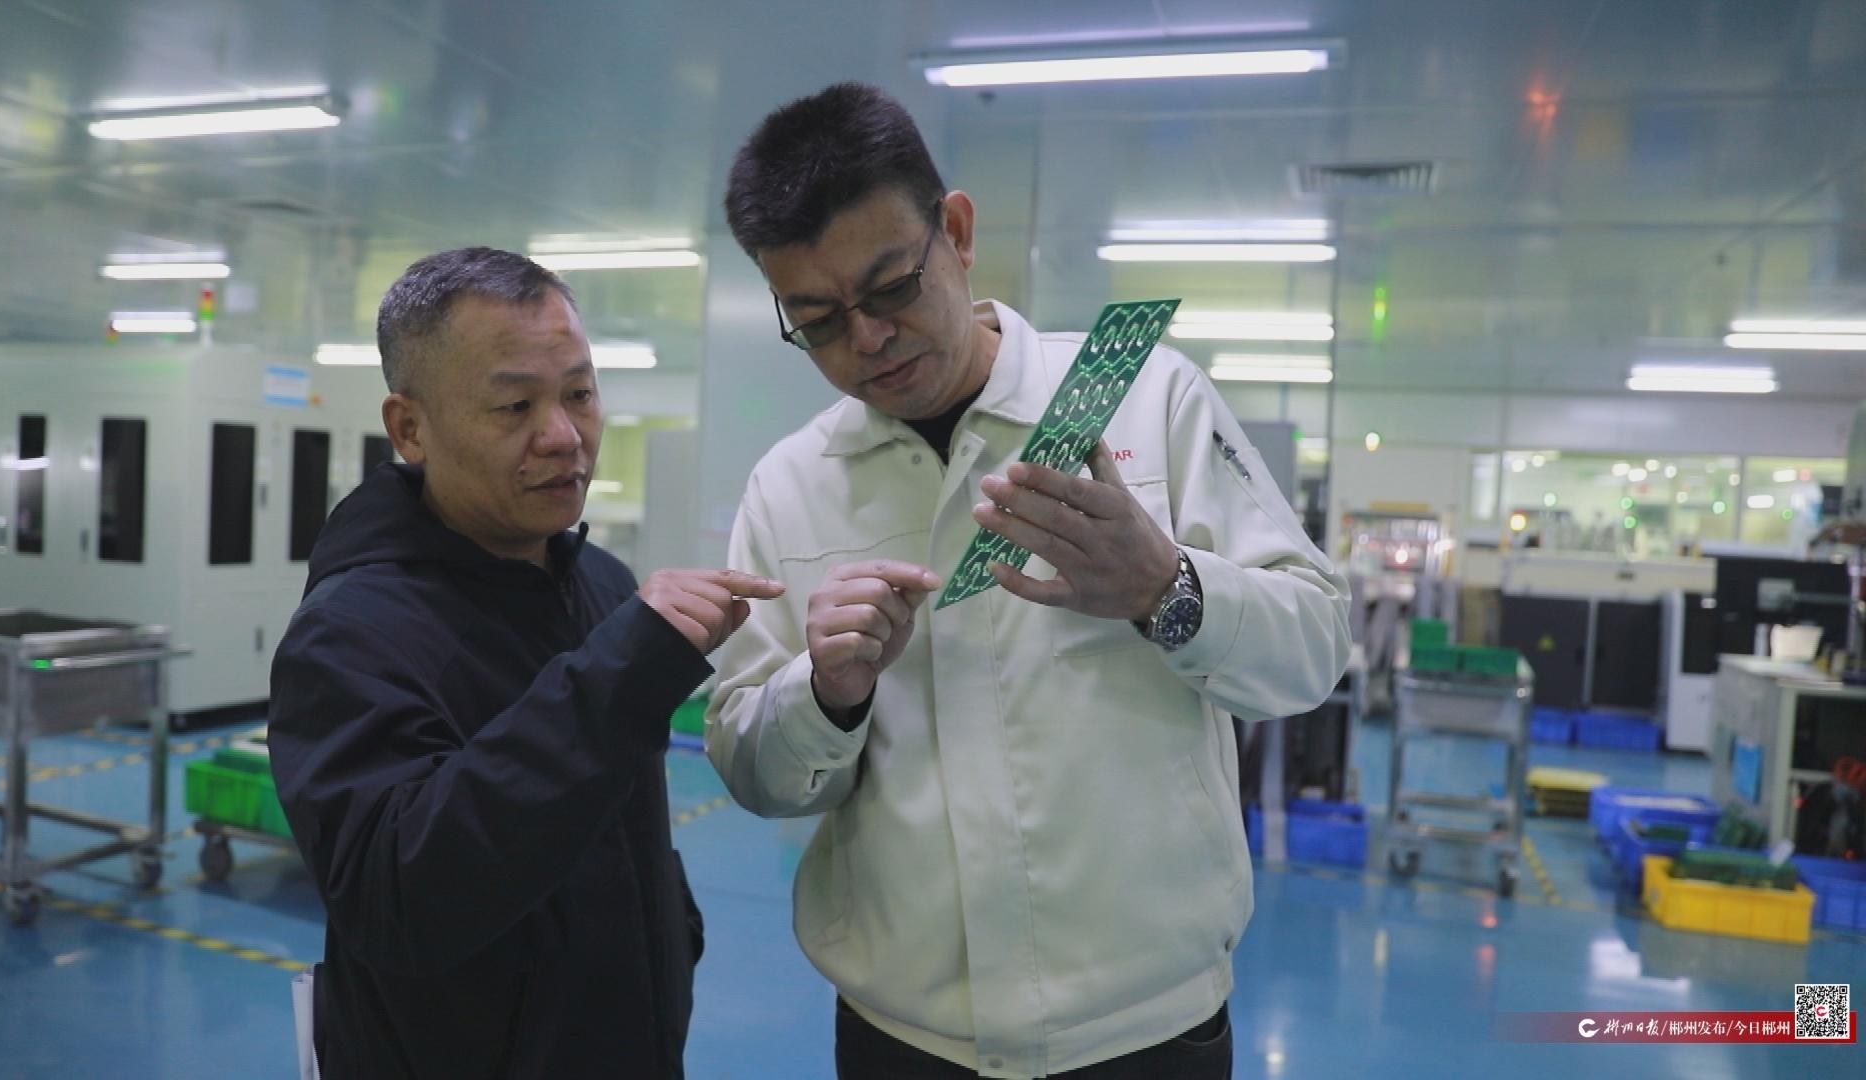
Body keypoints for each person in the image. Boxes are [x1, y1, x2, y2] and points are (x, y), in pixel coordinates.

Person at [707, 83, 1352, 1079]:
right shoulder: (792, 487)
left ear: (958, 234)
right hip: (904, 1038)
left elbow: (1312, 652)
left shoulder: (1142, 401)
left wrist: (1167, 589)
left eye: (891, 289)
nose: (867, 340)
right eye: (819, 320)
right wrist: (822, 695)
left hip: (1145, 1032)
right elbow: (755, 771)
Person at [267, 247, 783, 1078]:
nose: (564, 436)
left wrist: (667, 932)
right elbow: (397, 901)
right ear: (410, 429)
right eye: (514, 406)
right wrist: (617, 677)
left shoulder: (602, 584)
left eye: (579, 394)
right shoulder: (351, 633)